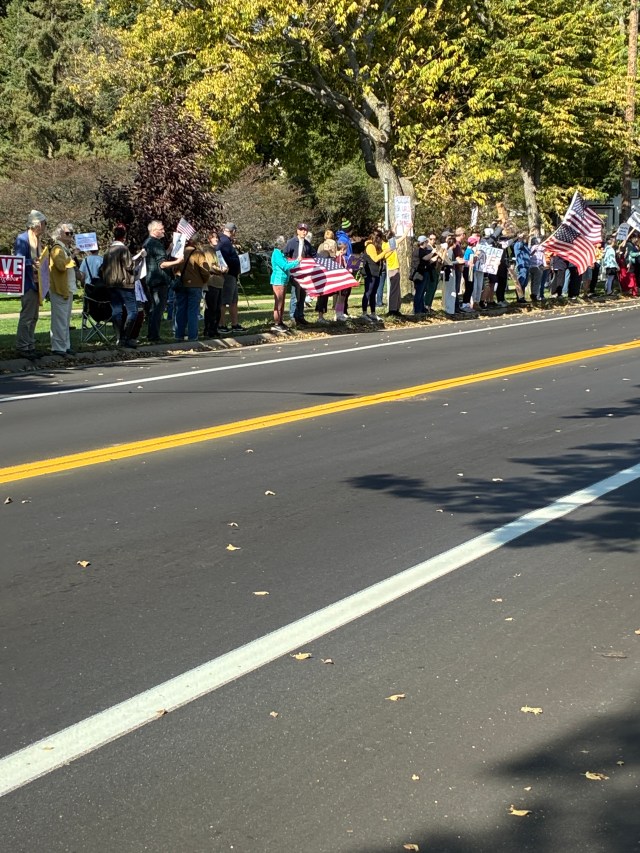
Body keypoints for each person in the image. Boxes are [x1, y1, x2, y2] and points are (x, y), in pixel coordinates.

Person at [14, 210, 47, 360]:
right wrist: (32, 263)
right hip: (28, 283)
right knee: (27, 317)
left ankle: (30, 345)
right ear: (37, 224)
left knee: (33, 317)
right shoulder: (23, 239)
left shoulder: (37, 239)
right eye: (44, 223)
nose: (45, 227)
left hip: (37, 283)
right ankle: (22, 347)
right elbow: (18, 261)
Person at [49, 223, 84, 356]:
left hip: (67, 288)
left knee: (66, 319)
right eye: (67, 233)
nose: (70, 235)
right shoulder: (57, 249)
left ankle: (65, 346)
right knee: (60, 320)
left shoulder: (65, 249)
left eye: (71, 233)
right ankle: (58, 347)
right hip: (59, 289)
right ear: (60, 235)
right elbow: (60, 266)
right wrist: (74, 255)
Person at [143, 220, 181, 343]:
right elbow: (163, 264)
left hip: (152, 280)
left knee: (155, 308)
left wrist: (169, 249)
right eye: (161, 229)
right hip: (159, 280)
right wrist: (178, 262)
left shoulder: (148, 242)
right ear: (154, 230)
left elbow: (158, 258)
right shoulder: (155, 244)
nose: (163, 231)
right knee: (158, 309)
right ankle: (154, 336)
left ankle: (151, 334)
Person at [101, 224, 137, 347]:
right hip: (124, 284)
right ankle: (126, 336)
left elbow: (103, 268)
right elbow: (129, 266)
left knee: (117, 311)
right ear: (124, 237)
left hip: (111, 285)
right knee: (133, 311)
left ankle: (119, 337)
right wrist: (137, 260)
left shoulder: (107, 251)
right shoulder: (123, 250)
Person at [174, 236, 210, 341]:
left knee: (180, 310)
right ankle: (192, 336)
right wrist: (204, 280)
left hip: (181, 285)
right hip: (195, 285)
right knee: (193, 311)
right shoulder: (198, 254)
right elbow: (205, 270)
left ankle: (179, 335)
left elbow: (174, 268)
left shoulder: (179, 253)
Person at [284, 222, 315, 326]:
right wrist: (292, 263)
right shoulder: (291, 242)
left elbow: (314, 255)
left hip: (305, 274)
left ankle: (300, 316)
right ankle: (293, 316)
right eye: (301, 230)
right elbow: (285, 255)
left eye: (305, 230)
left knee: (302, 295)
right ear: (297, 230)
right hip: (294, 273)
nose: (303, 232)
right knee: (295, 295)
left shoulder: (307, 244)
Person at [218, 222, 244, 334]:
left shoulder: (227, 242)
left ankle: (235, 324)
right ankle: (221, 324)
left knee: (234, 300)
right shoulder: (223, 242)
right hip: (227, 275)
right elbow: (221, 258)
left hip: (232, 275)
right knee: (224, 301)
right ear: (232, 231)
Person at [270, 236, 300, 332]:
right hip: (278, 280)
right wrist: (297, 262)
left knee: (282, 303)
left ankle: (280, 321)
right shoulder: (276, 254)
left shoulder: (281, 254)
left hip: (283, 280)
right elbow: (285, 266)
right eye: (284, 244)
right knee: (278, 303)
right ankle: (276, 323)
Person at [202, 230, 228, 337]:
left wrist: (226, 268)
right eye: (213, 237)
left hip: (220, 282)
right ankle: (208, 329)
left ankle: (215, 328)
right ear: (209, 239)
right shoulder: (208, 250)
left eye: (217, 237)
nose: (216, 239)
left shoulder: (217, 251)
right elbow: (210, 265)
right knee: (211, 308)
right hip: (211, 282)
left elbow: (223, 263)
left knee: (218, 308)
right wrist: (221, 270)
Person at [382, 228, 407, 317]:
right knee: (394, 290)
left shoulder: (384, 244)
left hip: (393, 268)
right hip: (393, 268)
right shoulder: (390, 244)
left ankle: (396, 308)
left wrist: (395, 225)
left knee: (397, 290)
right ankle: (393, 309)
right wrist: (408, 228)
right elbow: (403, 237)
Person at [315, 230, 337, 323]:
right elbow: (334, 256)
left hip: (320, 271)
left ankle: (320, 315)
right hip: (329, 271)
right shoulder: (334, 243)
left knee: (321, 295)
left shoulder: (321, 245)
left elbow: (317, 257)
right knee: (335, 294)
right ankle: (338, 313)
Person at [410, 235, 432, 316]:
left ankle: (422, 308)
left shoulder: (424, 250)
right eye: (426, 242)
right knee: (419, 292)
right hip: (419, 274)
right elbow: (425, 258)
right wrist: (433, 252)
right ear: (424, 242)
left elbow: (429, 260)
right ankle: (417, 310)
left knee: (422, 292)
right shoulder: (418, 251)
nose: (427, 243)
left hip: (424, 273)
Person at [513, 231, 531, 303]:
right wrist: (520, 238)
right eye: (524, 237)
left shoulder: (525, 245)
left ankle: (522, 297)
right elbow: (520, 246)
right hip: (521, 265)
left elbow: (528, 254)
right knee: (521, 281)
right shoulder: (517, 244)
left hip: (527, 265)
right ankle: (519, 297)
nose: (525, 238)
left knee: (525, 283)